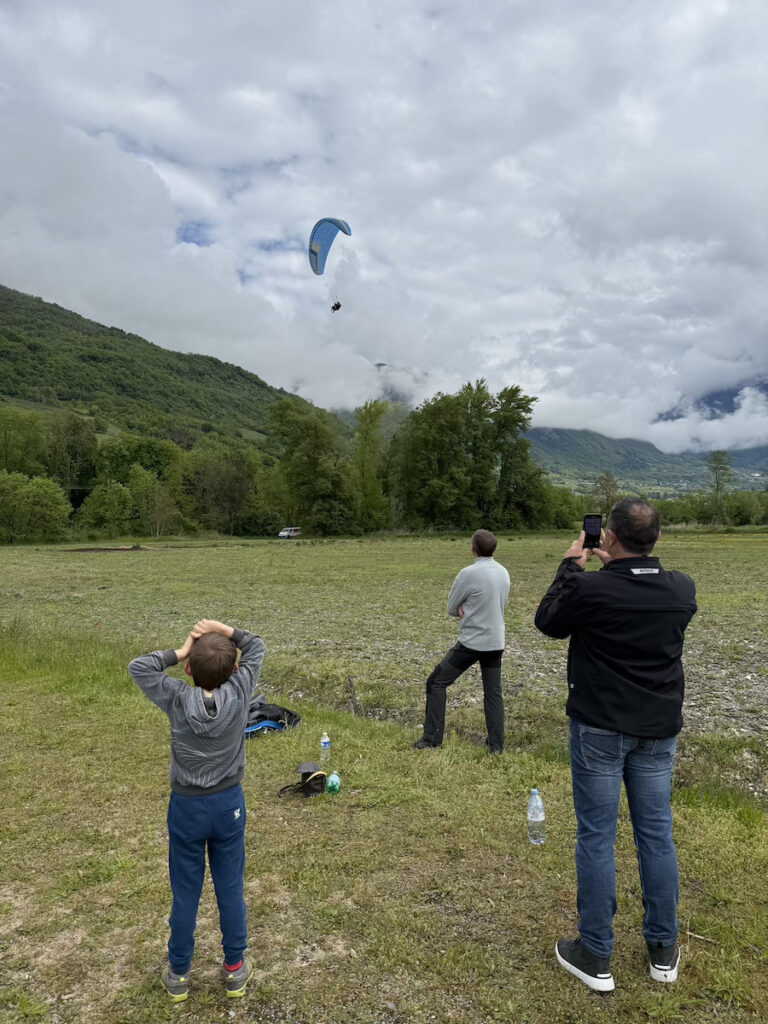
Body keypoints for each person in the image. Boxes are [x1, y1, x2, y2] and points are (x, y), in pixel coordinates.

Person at [534, 499, 697, 993]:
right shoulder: (682, 590)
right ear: (659, 539)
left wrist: (570, 564)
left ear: (607, 537)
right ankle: (662, 949)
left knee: (597, 837)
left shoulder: (591, 589)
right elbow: (639, 588)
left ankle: (596, 952)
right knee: (655, 834)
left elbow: (548, 621)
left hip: (600, 729)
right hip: (658, 731)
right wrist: (621, 565)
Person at [129, 619, 266, 1003]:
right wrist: (228, 630)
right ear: (236, 671)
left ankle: (178, 973)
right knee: (230, 887)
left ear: (188, 669)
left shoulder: (174, 696)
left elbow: (139, 667)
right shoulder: (240, 689)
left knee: (185, 891)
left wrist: (181, 650)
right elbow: (257, 646)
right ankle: (235, 969)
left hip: (186, 807)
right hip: (228, 805)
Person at [414, 529, 510, 753]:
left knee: (436, 682)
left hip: (471, 643)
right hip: (496, 641)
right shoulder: (504, 572)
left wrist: (463, 608)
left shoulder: (468, 573)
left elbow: (451, 608)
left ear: (473, 549)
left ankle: (431, 740)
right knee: (493, 694)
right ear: (494, 549)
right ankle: (496, 746)